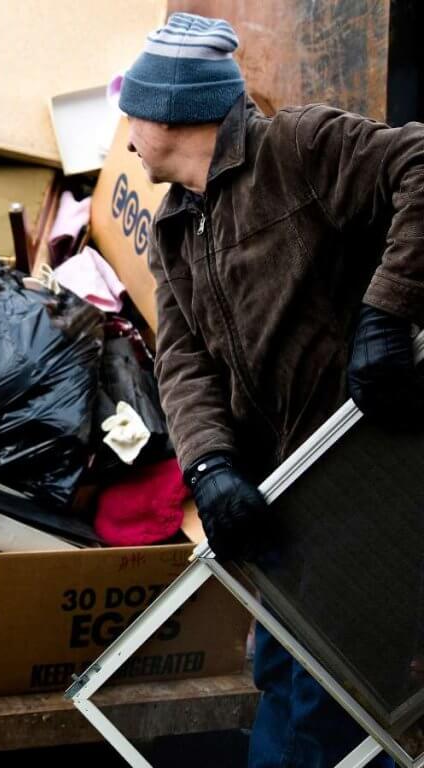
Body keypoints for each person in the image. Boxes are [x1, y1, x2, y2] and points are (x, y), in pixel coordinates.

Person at [117, 12, 424, 768]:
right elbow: (183, 360)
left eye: (132, 108)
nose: (123, 130)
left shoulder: (297, 149)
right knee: (280, 679)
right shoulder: (174, 228)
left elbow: (420, 163)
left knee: (333, 705)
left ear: (169, 111)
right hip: (279, 495)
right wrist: (211, 469)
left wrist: (389, 311)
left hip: (361, 477)